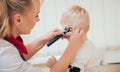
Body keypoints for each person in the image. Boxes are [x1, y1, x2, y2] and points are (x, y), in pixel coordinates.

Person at [0, 0, 85, 72]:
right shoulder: (4, 53)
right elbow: (13, 58)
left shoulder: (6, 45)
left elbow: (20, 55)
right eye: (36, 15)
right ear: (18, 19)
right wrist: (72, 47)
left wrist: (45, 39)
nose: (38, 19)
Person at [47, 5, 101, 72]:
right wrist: (58, 66)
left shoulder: (82, 51)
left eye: (64, 29)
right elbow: (72, 66)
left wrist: (55, 67)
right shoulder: (86, 46)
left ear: (71, 29)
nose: (62, 33)